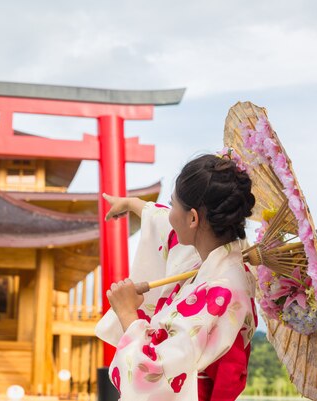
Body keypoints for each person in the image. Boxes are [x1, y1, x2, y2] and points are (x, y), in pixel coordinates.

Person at [95, 152, 258, 401]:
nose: (169, 214)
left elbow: (154, 370)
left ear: (193, 218)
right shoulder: (212, 256)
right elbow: (164, 222)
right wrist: (131, 203)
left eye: (173, 205)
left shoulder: (220, 290)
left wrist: (128, 313)